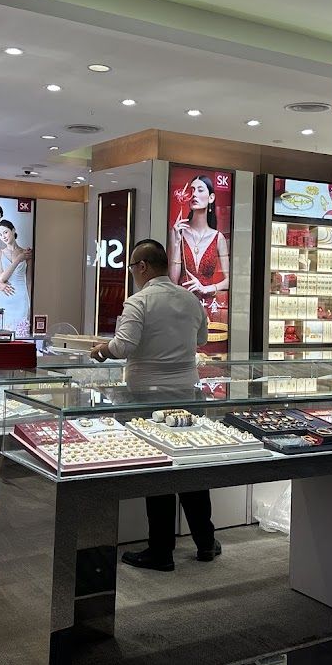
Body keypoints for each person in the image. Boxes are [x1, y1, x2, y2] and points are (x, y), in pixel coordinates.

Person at [90, 239, 219, 572]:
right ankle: (206, 541)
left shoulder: (139, 301)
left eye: (133, 267)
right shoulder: (190, 299)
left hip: (147, 399)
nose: (133, 273)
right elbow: (202, 340)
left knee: (159, 471)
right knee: (190, 468)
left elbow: (124, 346)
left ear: (143, 266)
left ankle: (161, 551)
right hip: (188, 395)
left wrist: (103, 348)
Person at [169, 174, 229, 352]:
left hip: (208, 308)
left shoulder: (218, 238)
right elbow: (173, 280)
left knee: (210, 357)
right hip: (181, 307)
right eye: (192, 190)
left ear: (211, 198)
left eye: (200, 190)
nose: (194, 194)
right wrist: (175, 243)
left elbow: (229, 280)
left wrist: (205, 288)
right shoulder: (178, 232)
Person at [0, 219, 32, 337]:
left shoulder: (27, 253)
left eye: (5, 232)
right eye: (0, 235)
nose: (3, 237)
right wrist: (19, 259)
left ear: (13, 230)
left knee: (21, 335)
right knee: (3, 335)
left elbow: (29, 281)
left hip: (21, 298)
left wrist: (30, 302)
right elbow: (2, 278)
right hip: (4, 298)